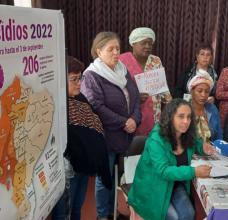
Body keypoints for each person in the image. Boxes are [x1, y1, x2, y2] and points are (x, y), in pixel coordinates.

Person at [80, 32, 141, 220]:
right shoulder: (92, 75)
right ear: (99, 51)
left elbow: (136, 97)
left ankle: (114, 210)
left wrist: (134, 119)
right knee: (104, 178)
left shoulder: (122, 69)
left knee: (118, 176)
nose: (116, 53)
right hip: (105, 137)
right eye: (110, 49)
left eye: (118, 48)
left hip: (125, 135)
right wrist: (124, 122)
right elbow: (96, 106)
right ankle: (103, 215)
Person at [128, 98, 215, 220]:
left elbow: (196, 143)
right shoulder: (156, 139)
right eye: (181, 116)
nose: (186, 121)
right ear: (170, 117)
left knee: (189, 214)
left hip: (174, 184)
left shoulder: (186, 133)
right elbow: (163, 171)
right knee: (173, 217)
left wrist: (203, 147)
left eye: (189, 117)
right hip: (153, 187)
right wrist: (193, 171)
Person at [52, 56, 111, 220]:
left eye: (80, 78)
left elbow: (93, 124)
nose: (79, 83)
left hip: (84, 166)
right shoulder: (56, 104)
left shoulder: (80, 98)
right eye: (73, 79)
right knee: (64, 213)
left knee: (77, 208)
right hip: (67, 169)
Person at [119, 27, 172, 135]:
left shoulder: (155, 60)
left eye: (150, 43)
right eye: (144, 43)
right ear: (133, 43)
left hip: (154, 113)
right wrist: (135, 97)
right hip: (132, 115)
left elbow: (162, 86)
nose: (148, 46)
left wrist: (171, 106)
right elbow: (116, 90)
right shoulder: (122, 61)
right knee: (134, 147)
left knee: (152, 144)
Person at [187, 69, 223, 142]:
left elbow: (219, 135)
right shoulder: (185, 109)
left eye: (207, 92)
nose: (203, 95)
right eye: (199, 91)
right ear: (191, 91)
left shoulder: (212, 109)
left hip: (211, 151)